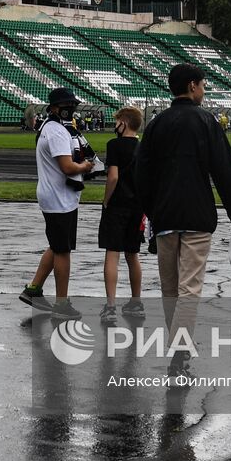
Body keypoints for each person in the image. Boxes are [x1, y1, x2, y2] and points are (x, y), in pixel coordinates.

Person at [136, 64, 231, 376]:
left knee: (170, 288)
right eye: (203, 85)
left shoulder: (157, 124)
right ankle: (179, 352)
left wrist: (151, 212)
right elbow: (225, 171)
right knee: (190, 288)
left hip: (165, 215)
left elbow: (141, 173)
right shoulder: (205, 121)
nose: (205, 90)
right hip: (197, 214)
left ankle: (178, 346)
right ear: (193, 85)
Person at [19, 87, 98, 319]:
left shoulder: (51, 127)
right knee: (63, 250)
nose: (70, 109)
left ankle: (33, 289)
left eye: (72, 105)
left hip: (57, 196)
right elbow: (67, 166)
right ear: (54, 108)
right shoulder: (57, 131)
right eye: (66, 106)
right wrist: (85, 167)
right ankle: (62, 304)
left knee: (56, 246)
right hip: (58, 198)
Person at [99, 106, 147, 326]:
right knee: (132, 254)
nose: (114, 125)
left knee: (112, 253)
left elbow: (113, 177)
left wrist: (106, 200)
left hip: (118, 204)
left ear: (124, 123)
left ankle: (110, 306)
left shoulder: (114, 145)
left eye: (117, 121)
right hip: (137, 206)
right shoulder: (144, 147)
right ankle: (136, 301)